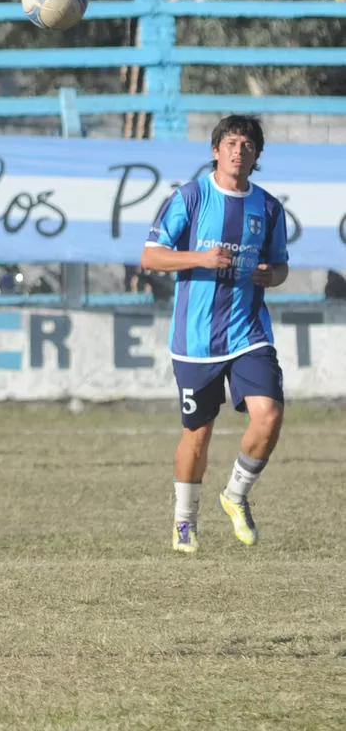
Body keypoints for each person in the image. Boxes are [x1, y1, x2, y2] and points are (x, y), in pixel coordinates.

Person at [140, 115, 289, 554]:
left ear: (257, 155)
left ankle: (236, 494)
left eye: (247, 144)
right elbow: (151, 256)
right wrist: (201, 260)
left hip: (248, 333)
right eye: (230, 143)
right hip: (196, 341)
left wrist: (271, 275)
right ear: (215, 150)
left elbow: (280, 265)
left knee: (270, 414)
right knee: (198, 435)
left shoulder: (268, 207)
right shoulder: (190, 197)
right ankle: (184, 521)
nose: (238, 151)